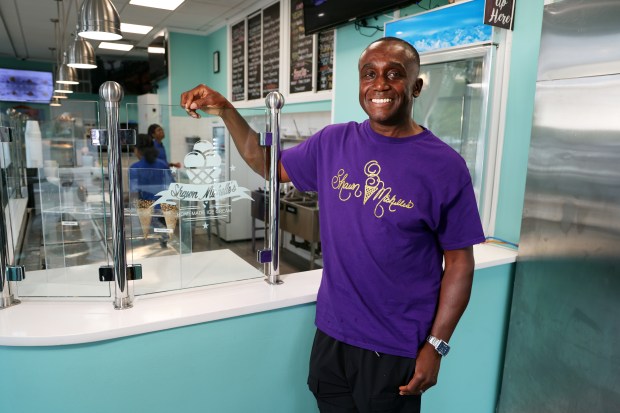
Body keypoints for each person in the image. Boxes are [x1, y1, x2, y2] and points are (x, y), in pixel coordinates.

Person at [180, 37, 485, 413]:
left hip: (395, 348)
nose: (380, 84)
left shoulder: (445, 166)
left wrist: (437, 347)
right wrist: (226, 109)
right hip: (332, 335)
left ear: (416, 86)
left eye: (395, 74)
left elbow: (459, 263)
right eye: (369, 74)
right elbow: (267, 163)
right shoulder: (334, 142)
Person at [129, 133, 175, 247]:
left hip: (147, 213)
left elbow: (134, 193)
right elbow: (172, 185)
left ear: (137, 150)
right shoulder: (162, 164)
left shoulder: (135, 168)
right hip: (165, 210)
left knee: (147, 246)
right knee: (165, 245)